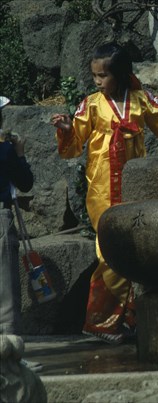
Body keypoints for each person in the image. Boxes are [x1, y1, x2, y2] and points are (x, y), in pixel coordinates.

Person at [50, 43, 158, 344]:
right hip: (102, 187)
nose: (98, 82)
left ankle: (127, 318)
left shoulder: (142, 100)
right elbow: (74, 143)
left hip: (135, 181)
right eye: (95, 76)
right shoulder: (91, 104)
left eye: (103, 76)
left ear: (122, 75)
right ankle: (101, 321)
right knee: (109, 250)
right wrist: (65, 128)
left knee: (136, 245)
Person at [0, 96, 42, 372]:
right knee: (5, 290)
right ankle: (10, 356)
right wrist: (19, 152)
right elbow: (25, 182)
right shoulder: (4, 150)